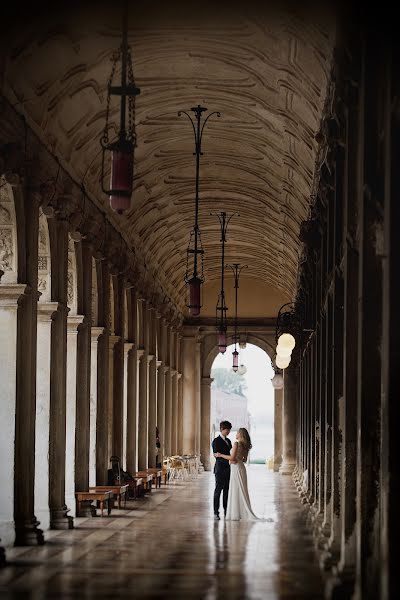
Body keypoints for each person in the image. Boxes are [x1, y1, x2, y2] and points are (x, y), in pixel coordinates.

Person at [215, 427, 259, 521]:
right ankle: (240, 512)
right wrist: (235, 460)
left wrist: (220, 455)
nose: (235, 433)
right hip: (241, 467)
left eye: (237, 432)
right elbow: (244, 459)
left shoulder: (236, 443)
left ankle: (235, 513)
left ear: (240, 434)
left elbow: (232, 457)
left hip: (236, 469)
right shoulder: (244, 445)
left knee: (235, 490)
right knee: (241, 490)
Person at [212, 420, 232, 520]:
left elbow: (231, 454)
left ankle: (226, 510)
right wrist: (227, 457)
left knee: (227, 491)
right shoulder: (216, 441)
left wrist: (227, 457)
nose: (228, 431)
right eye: (226, 429)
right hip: (220, 469)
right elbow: (216, 455)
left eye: (229, 430)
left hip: (229, 469)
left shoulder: (229, 441)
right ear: (221, 429)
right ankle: (216, 512)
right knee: (218, 491)